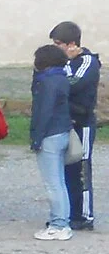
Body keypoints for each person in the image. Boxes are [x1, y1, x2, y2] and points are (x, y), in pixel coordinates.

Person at [51, 22, 97, 231]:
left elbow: (73, 84)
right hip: (65, 122)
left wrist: (62, 71)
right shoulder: (61, 63)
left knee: (81, 169)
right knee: (66, 170)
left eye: (58, 43)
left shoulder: (88, 61)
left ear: (71, 44)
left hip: (83, 123)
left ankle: (85, 215)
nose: (55, 47)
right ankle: (69, 212)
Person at [31, 43, 75, 241]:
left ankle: (59, 224)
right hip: (62, 131)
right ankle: (62, 221)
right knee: (60, 182)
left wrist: (36, 138)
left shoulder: (47, 82)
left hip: (49, 135)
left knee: (52, 183)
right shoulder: (60, 78)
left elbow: (44, 112)